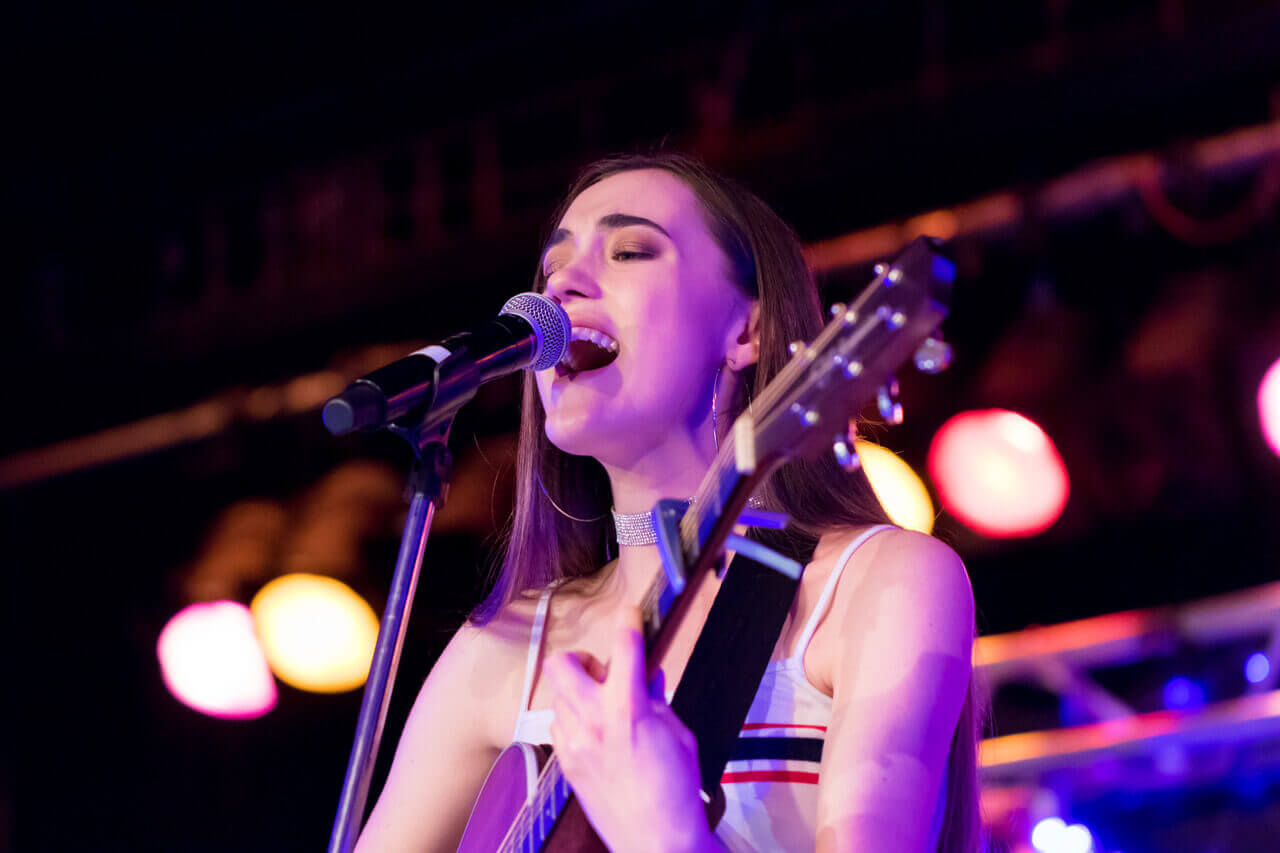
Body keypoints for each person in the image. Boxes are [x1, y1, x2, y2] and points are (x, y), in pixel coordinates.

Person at [355, 152, 981, 852]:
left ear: (749, 332)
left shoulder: (876, 582)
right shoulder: (502, 648)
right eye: (553, 265)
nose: (563, 282)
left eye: (629, 250)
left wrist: (666, 830)